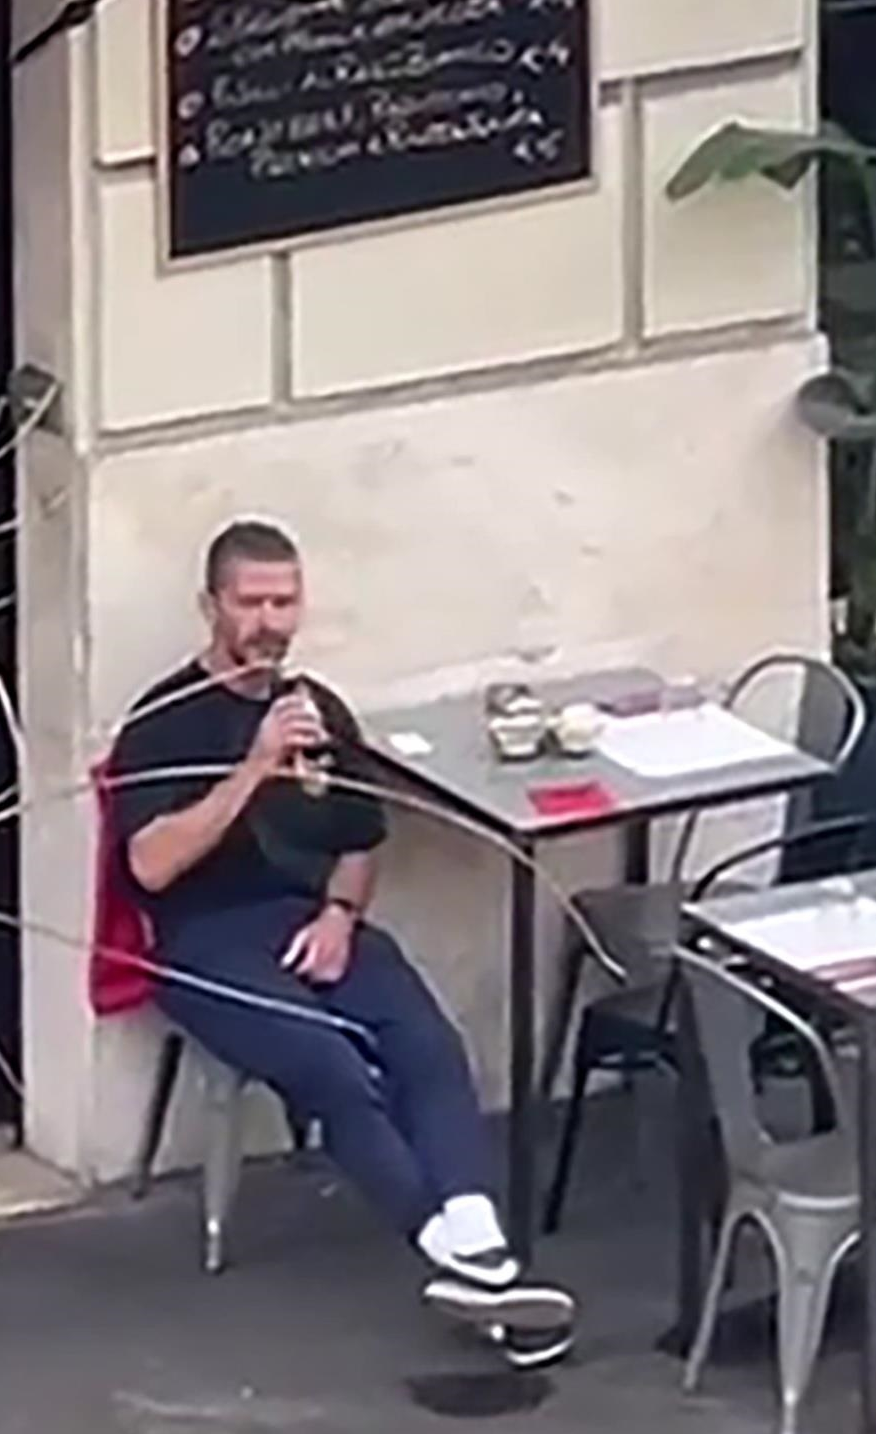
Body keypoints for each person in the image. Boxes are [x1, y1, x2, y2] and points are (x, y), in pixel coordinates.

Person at [108, 521, 574, 1367]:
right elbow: (149, 866)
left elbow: (359, 839)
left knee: (424, 1043)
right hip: (203, 939)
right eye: (250, 602)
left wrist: (338, 916)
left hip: (309, 921)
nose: (269, 620)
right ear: (211, 606)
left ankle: (477, 1236)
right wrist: (252, 770)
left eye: (284, 600)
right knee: (329, 1063)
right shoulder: (164, 720)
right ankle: (443, 1248)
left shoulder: (318, 709)